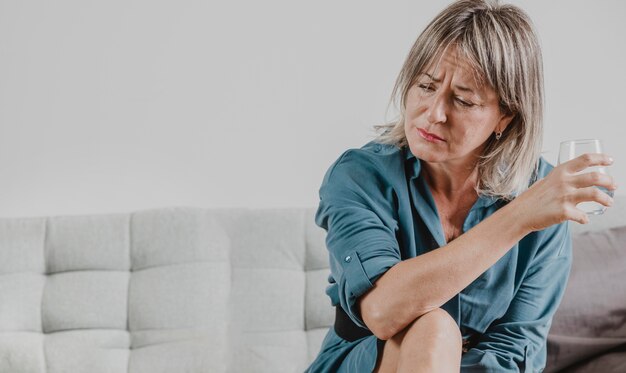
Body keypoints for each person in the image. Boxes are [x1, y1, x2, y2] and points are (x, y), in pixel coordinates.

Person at [305, 0, 618, 372]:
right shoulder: (360, 176)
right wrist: (519, 219)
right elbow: (382, 312)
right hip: (366, 365)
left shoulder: (540, 195)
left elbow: (515, 349)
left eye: (463, 100)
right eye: (425, 85)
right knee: (433, 327)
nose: (434, 113)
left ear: (506, 116)